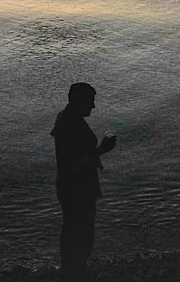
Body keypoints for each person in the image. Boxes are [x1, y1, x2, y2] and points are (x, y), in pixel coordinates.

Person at [51, 82, 117, 281]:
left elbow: (72, 157)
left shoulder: (66, 118)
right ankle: (74, 273)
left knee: (73, 231)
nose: (93, 106)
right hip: (77, 188)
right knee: (81, 234)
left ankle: (72, 271)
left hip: (71, 186)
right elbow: (74, 163)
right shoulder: (69, 122)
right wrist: (101, 150)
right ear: (80, 101)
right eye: (91, 101)